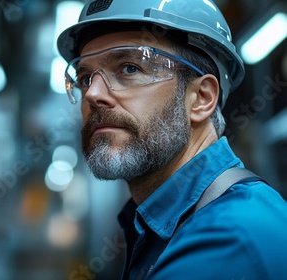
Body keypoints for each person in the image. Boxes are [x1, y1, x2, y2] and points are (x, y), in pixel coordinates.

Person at [56, 0, 287, 279]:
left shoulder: (228, 238)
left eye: (129, 68)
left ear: (201, 99)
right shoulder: (161, 224)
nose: (92, 94)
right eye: (84, 79)